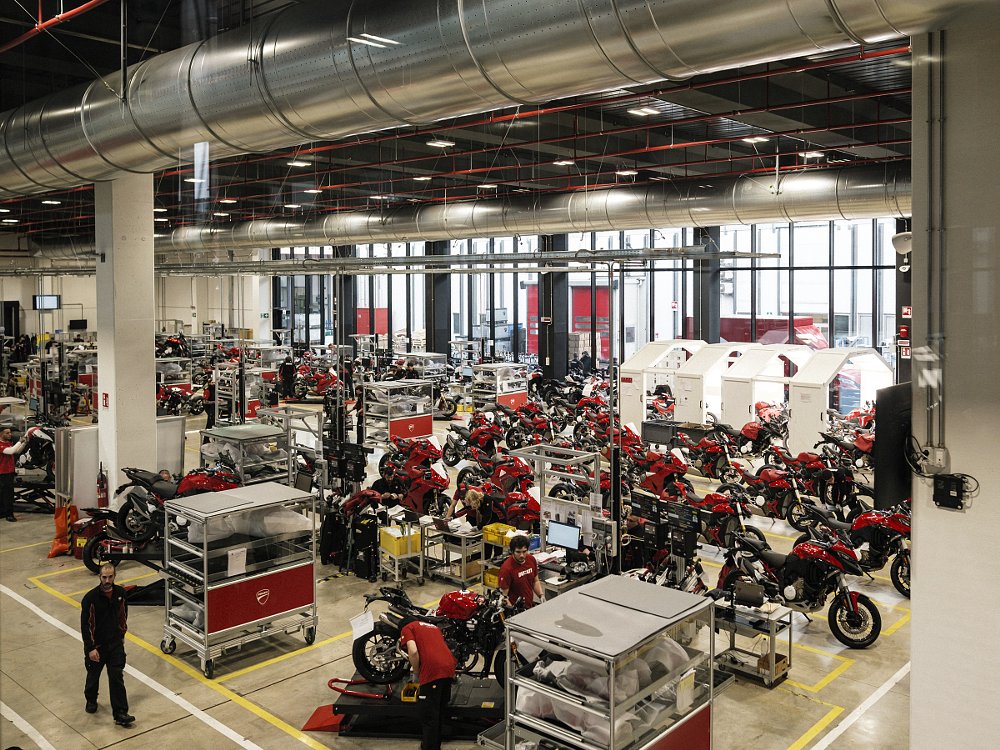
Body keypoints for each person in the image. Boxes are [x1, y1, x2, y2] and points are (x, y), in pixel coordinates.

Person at [81, 564, 134, 727]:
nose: (107, 580)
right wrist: (90, 648)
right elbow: (86, 625)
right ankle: (91, 699)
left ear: (115, 576)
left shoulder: (120, 594)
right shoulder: (90, 598)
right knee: (93, 676)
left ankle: (121, 713)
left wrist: (122, 635)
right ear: (99, 577)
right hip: (97, 646)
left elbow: (123, 615)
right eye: (104, 577)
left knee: (117, 677)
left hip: (115, 644)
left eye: (110, 577)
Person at [399, 617, 457, 750]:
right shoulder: (433, 627)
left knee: (428, 716)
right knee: (439, 712)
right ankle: (434, 745)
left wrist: (416, 672)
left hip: (433, 672)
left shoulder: (408, 628)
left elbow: (413, 651)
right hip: (449, 669)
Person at [498, 534, 544, 608]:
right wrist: (513, 612)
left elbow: (535, 581)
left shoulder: (531, 559)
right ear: (512, 551)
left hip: (528, 605)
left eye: (524, 551)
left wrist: (541, 595)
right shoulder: (506, 569)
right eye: (518, 552)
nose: (522, 555)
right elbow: (504, 596)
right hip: (514, 609)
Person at [1, 426, 34, 522]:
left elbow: (16, 452)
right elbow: (11, 451)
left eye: (10, 432)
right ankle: (7, 514)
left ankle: (8, 513)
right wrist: (20, 441)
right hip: (2, 473)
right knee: (5, 495)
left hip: (9, 472)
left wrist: (24, 443)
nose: (10, 434)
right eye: (7, 433)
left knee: (8, 494)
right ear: (1, 434)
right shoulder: (0, 444)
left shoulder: (8, 443)